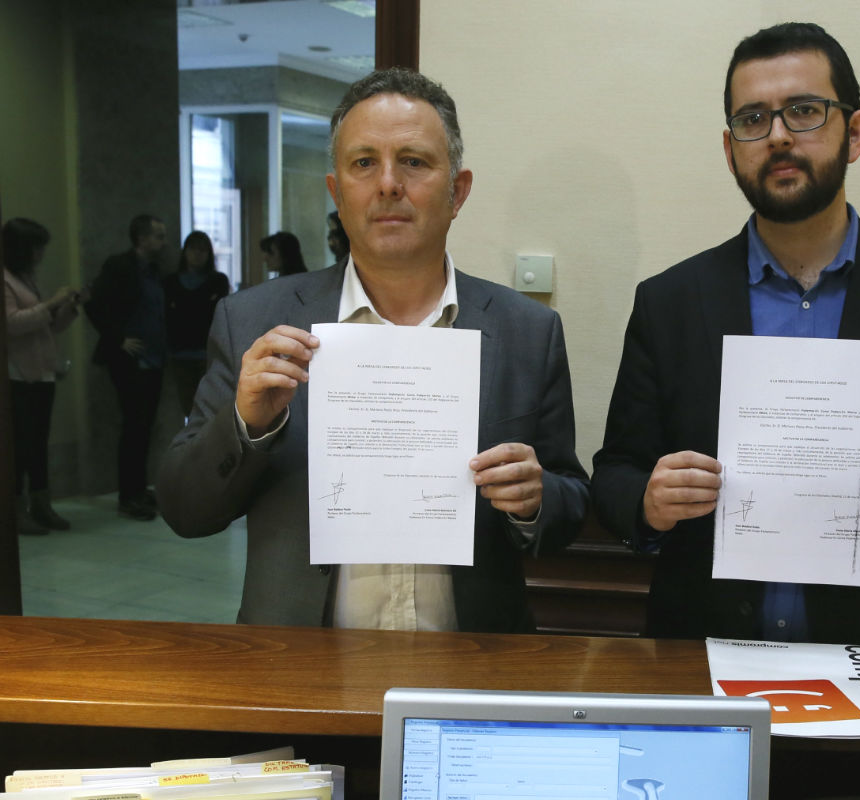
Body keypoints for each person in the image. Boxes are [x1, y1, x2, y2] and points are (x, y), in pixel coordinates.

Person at [591, 22, 860, 646]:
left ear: (855, 133)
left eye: (804, 112)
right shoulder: (670, 301)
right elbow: (616, 471)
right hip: (698, 655)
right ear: (730, 149)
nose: (779, 136)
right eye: (753, 119)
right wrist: (648, 502)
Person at [157, 67, 589, 632]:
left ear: (457, 191)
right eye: (364, 163)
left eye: (414, 161)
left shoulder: (528, 332)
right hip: (300, 667)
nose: (388, 183)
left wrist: (536, 500)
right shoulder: (253, 321)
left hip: (472, 666)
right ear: (338, 191)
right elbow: (185, 510)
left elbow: (571, 502)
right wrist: (245, 423)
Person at [84, 213, 169, 522]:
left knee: (143, 427)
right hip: (131, 362)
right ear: (141, 238)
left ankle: (138, 489)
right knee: (134, 427)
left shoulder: (154, 271)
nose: (163, 242)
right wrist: (118, 339)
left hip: (154, 359)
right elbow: (93, 303)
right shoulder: (119, 266)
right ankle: (128, 495)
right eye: (158, 235)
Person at [3, 218, 85, 534]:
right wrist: (52, 302)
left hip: (43, 371)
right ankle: (17, 507)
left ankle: (42, 503)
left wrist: (68, 307)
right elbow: (12, 323)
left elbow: (48, 327)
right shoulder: (6, 279)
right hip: (19, 374)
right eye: (37, 248)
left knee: (38, 443)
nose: (40, 254)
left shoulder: (26, 278)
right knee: (21, 445)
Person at [163, 231, 230, 420]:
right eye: (193, 249)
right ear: (185, 252)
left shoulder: (217, 281)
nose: (197, 254)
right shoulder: (171, 282)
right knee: (188, 406)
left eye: (202, 250)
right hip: (180, 353)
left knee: (211, 407)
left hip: (208, 353)